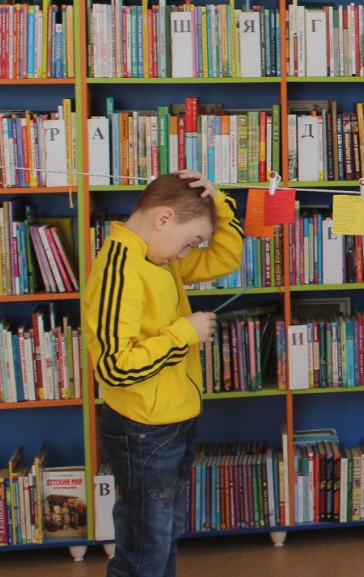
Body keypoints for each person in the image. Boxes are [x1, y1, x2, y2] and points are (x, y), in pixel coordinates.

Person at [82, 170, 245, 577]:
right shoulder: (122, 269)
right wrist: (182, 334)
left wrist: (218, 203)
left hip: (172, 420)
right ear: (164, 218)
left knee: (163, 533)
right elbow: (114, 366)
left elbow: (227, 257)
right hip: (144, 428)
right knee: (144, 549)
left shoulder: (156, 257)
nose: (185, 254)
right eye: (189, 242)